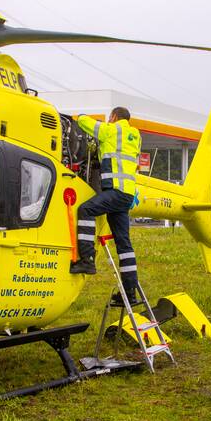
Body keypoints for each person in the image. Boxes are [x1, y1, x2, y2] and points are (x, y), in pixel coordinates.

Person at [69, 106, 142, 302]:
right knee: (124, 245)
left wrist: (80, 115)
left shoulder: (113, 130)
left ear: (114, 117)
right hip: (126, 195)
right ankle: (130, 293)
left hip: (115, 191)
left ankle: (86, 259)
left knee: (86, 209)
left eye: (110, 118)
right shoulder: (135, 136)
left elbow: (87, 124)